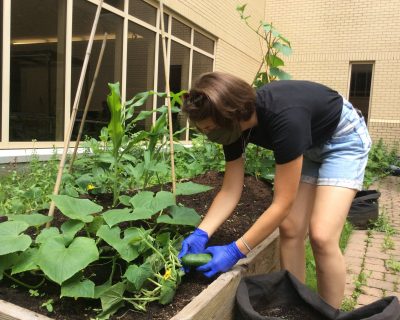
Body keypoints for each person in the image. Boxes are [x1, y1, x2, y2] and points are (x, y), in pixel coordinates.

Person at [178, 71, 371, 308]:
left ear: (230, 115)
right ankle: (296, 309)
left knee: (322, 236)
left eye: (209, 128)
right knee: (290, 228)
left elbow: (282, 203)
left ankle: (330, 313)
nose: (209, 135)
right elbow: (230, 190)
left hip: (343, 139)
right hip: (308, 142)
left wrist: (235, 250)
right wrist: (202, 233)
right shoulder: (233, 128)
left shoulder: (284, 116)